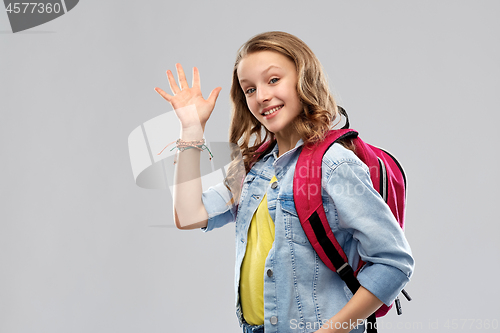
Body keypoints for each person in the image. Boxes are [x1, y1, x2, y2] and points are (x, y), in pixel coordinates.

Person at [154, 31, 414, 333]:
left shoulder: (333, 164)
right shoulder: (252, 167)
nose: (262, 96)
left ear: (303, 79)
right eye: (249, 89)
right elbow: (188, 215)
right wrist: (191, 129)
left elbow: (394, 262)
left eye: (273, 80)